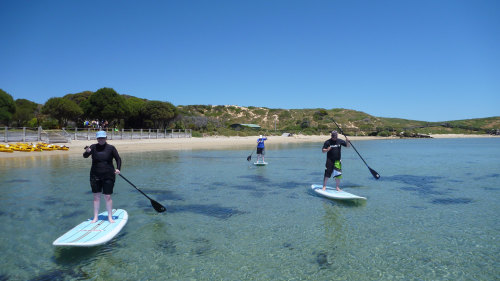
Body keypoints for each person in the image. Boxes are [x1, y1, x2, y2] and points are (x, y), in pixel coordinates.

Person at [83, 131, 121, 223]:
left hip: (109, 175)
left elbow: (118, 159)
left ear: (106, 138)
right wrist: (87, 152)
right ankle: (95, 217)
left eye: (103, 138)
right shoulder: (93, 147)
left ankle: (110, 217)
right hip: (95, 175)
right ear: (97, 139)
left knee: (107, 196)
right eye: (99, 138)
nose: (101, 140)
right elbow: (85, 156)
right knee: (96, 197)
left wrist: (118, 169)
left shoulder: (111, 148)